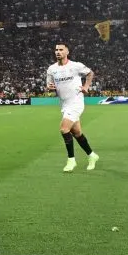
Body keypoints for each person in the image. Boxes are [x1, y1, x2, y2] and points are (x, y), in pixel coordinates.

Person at [45, 43, 100, 172]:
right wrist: (49, 89)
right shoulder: (51, 69)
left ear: (67, 52)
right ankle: (92, 155)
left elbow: (90, 73)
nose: (58, 52)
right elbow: (50, 88)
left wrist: (86, 87)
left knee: (64, 129)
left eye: (61, 50)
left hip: (76, 102)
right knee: (77, 133)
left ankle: (71, 160)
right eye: (56, 50)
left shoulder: (76, 66)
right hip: (64, 104)